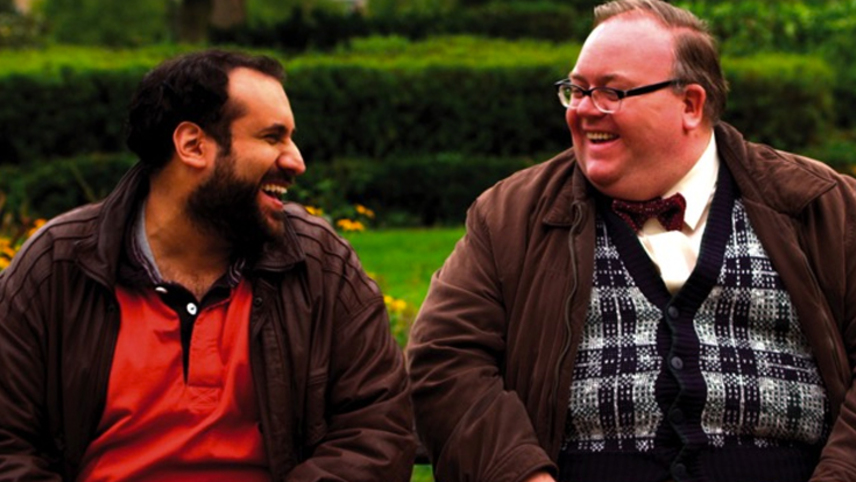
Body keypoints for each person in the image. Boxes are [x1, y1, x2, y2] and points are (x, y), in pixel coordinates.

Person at [406, 1, 856, 481]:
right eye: (575, 90)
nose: (582, 110)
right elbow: (445, 361)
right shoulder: (510, 216)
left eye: (610, 92)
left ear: (690, 105)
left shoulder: (820, 207)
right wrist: (523, 475)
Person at [0, 49, 416, 481]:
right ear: (194, 146)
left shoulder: (321, 266)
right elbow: (7, 445)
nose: (296, 161)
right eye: (273, 138)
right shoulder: (58, 266)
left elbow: (376, 430)